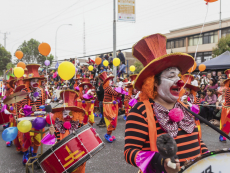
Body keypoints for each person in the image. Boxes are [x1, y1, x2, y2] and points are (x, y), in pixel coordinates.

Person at [124, 34, 208, 173]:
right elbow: (130, 152)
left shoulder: (185, 107)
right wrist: (160, 162)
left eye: (178, 76)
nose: (179, 81)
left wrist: (208, 158)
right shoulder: (140, 111)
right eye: (171, 76)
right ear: (154, 82)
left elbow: (198, 141)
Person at [49, 90, 87, 172]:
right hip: (62, 154)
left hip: (77, 153)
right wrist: (51, 134)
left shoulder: (79, 124)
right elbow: (52, 143)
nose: (68, 116)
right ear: (60, 114)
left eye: (70, 114)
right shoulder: (58, 125)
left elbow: (84, 141)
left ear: (74, 113)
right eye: (65, 113)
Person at [16, 64, 47, 165]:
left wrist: (44, 108)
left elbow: (43, 104)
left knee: (38, 138)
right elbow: (20, 108)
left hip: (38, 119)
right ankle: (25, 153)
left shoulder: (42, 91)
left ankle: (34, 154)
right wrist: (29, 109)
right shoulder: (23, 92)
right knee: (26, 138)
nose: (35, 83)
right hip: (27, 119)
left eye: (36, 80)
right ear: (28, 82)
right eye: (33, 80)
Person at [99, 72, 119, 143]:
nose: (111, 82)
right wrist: (119, 89)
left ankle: (109, 134)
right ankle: (107, 135)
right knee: (111, 120)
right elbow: (115, 94)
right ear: (107, 82)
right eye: (110, 81)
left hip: (110, 106)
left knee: (113, 121)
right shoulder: (108, 88)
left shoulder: (109, 88)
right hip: (109, 107)